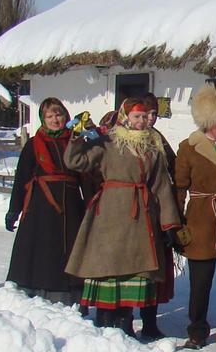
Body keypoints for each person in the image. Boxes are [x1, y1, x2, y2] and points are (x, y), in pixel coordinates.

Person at [64, 98, 180, 336]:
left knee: (134, 268)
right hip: (110, 214)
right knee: (109, 266)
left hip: (141, 215)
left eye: (146, 116)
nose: (142, 121)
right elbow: (76, 161)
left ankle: (125, 320)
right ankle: (106, 318)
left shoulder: (152, 145)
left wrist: (169, 222)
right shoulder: (109, 140)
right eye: (137, 116)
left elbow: (161, 186)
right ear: (126, 117)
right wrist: (77, 137)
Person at [173, 83, 216, 349]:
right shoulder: (189, 148)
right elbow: (179, 188)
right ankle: (197, 330)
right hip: (200, 221)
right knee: (199, 282)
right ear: (208, 121)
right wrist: (176, 224)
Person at [4, 97, 86, 305]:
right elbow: (22, 177)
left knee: (67, 251)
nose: (55, 120)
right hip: (39, 207)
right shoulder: (33, 145)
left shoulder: (75, 142)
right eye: (49, 116)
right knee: (40, 250)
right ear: (43, 119)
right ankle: (33, 295)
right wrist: (14, 209)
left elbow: (87, 176)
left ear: (65, 116)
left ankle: (68, 297)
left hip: (70, 206)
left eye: (58, 114)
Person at [138, 92, 177, 341]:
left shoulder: (157, 139)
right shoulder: (120, 138)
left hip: (155, 209)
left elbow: (173, 166)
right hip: (129, 211)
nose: (150, 119)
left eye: (153, 114)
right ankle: (119, 317)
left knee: (154, 268)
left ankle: (149, 322)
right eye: (145, 114)